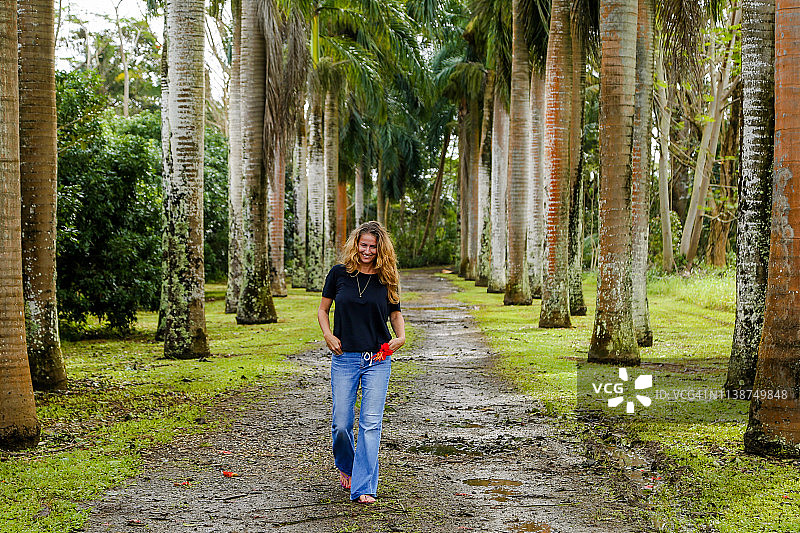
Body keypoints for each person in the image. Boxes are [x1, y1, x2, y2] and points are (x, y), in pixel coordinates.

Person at [317, 221, 405, 504]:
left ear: (381, 249)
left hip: (378, 359)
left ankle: (364, 486)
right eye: (363, 245)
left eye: (373, 246)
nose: (367, 251)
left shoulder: (387, 278)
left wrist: (400, 337)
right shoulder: (338, 274)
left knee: (370, 424)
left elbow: (395, 313)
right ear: (356, 244)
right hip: (344, 359)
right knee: (341, 423)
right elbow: (322, 310)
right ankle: (346, 464)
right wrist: (329, 335)